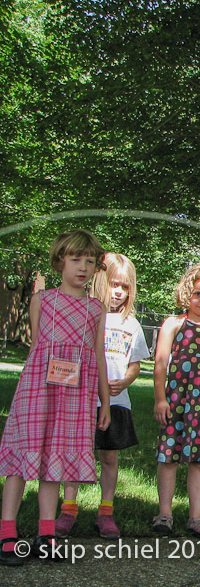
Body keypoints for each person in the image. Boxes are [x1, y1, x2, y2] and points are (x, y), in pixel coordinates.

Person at [0, 229, 110, 565]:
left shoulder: (96, 308)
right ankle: (7, 533)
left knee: (54, 460)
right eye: (76, 259)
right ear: (60, 261)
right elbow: (37, 348)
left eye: (90, 262)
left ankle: (46, 534)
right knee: (22, 459)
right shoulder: (43, 299)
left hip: (75, 396)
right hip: (38, 392)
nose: (83, 267)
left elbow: (98, 354)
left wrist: (105, 402)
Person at [55, 253, 150, 540]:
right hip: (82, 401)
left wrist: (125, 381)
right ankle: (68, 509)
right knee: (75, 455)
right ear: (99, 282)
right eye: (113, 284)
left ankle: (105, 512)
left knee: (108, 457)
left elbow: (136, 364)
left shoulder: (131, 324)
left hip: (116, 403)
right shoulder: (86, 314)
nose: (118, 292)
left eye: (125, 287)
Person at [152, 263, 200, 540]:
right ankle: (164, 514)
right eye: (198, 294)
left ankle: (196, 518)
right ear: (187, 294)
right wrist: (160, 399)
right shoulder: (173, 324)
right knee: (169, 456)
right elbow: (160, 364)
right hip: (176, 400)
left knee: (199, 460)